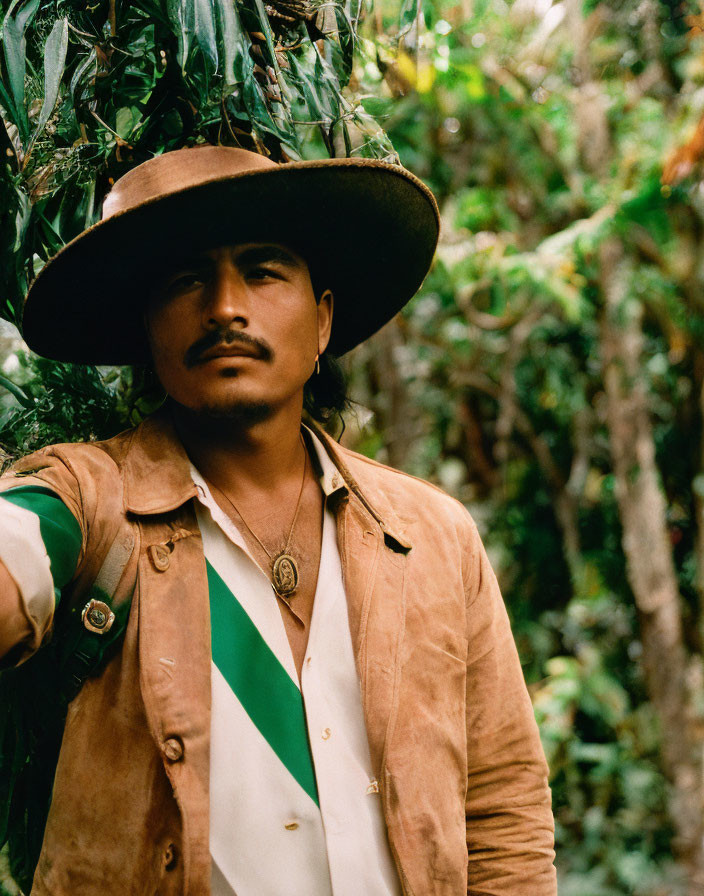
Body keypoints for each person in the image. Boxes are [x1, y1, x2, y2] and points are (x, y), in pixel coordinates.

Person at [0, 145, 557, 895]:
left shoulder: (431, 536)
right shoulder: (89, 500)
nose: (225, 306)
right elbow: (22, 545)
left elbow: (501, 807)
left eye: (263, 272)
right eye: (185, 279)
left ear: (322, 321)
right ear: (147, 332)